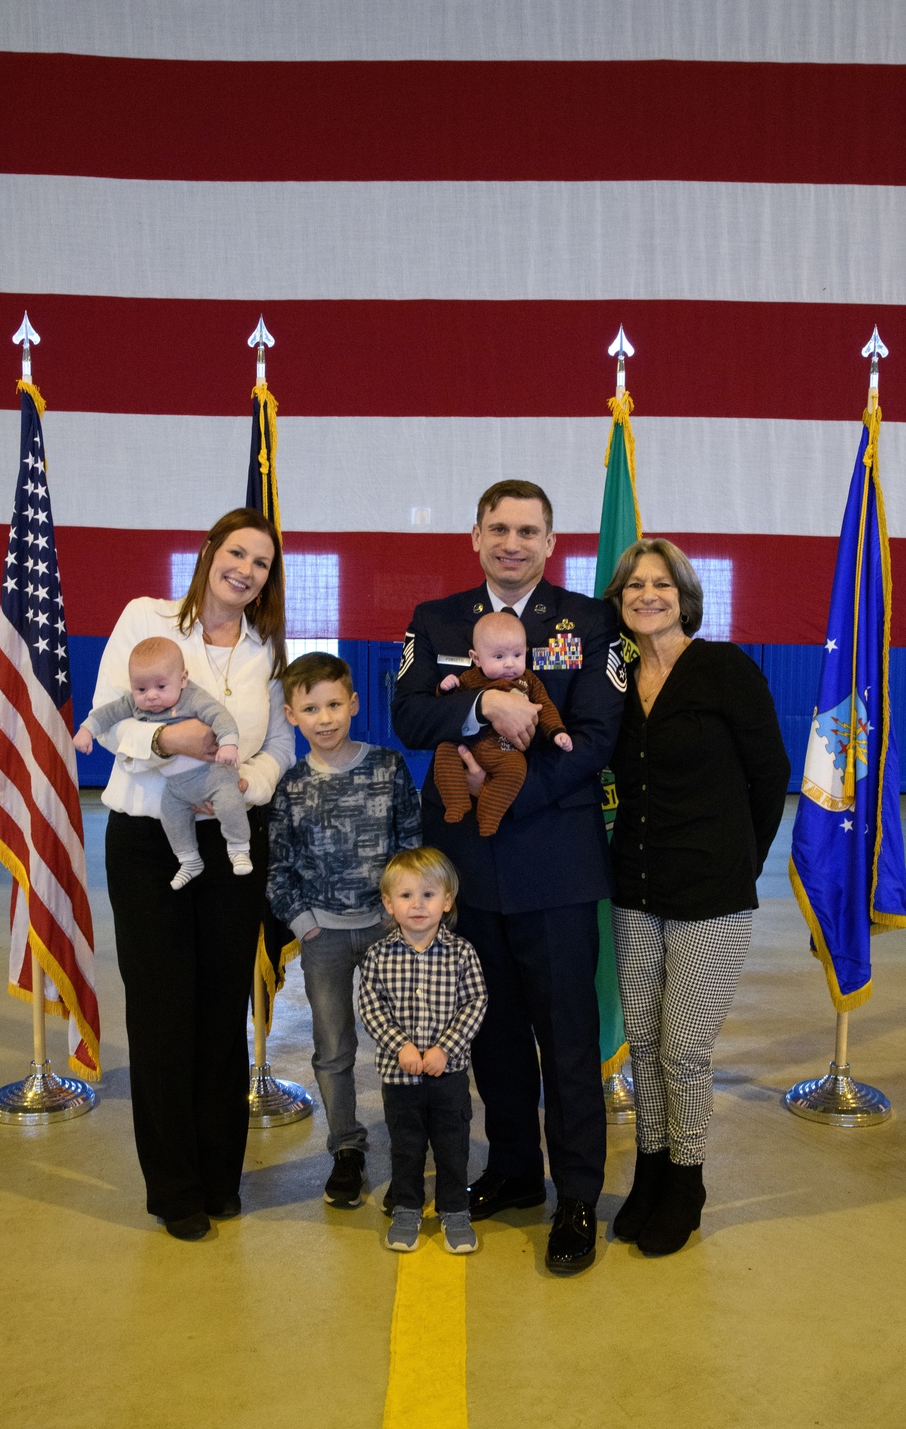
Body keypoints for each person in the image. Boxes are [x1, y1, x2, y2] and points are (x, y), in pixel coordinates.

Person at [392, 479, 625, 1275]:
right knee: (490, 1035)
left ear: (552, 543)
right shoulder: (438, 620)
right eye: (499, 528)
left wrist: (517, 788)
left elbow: (598, 735)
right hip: (463, 868)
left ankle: (579, 1198)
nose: (513, 542)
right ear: (475, 535)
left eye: (529, 530)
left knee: (565, 1041)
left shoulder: (590, 623)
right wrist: (481, 712)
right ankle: (517, 1171)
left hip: (555, 864)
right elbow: (410, 716)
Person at [92, 508, 294, 1241]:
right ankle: (175, 1189)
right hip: (148, 845)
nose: (245, 569)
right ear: (210, 552)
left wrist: (251, 786)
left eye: (262, 563)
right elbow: (109, 720)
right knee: (160, 1013)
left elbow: (278, 742)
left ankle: (220, 1177)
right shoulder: (145, 617)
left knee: (220, 1014)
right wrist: (163, 736)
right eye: (236, 552)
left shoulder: (264, 648)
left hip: (233, 848)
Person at [604, 539, 790, 1256]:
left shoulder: (724, 670)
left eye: (661, 584)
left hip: (712, 895)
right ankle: (649, 1170)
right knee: (644, 1041)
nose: (647, 594)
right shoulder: (617, 681)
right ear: (618, 601)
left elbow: (768, 776)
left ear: (685, 597)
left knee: (683, 1049)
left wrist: (738, 862)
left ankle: (687, 1180)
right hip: (636, 886)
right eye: (633, 586)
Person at [266, 652, 421, 1209]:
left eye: (334, 704)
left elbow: (411, 844)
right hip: (323, 937)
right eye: (311, 708)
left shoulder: (388, 767)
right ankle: (346, 1151)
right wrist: (304, 924)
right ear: (291, 714)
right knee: (333, 1048)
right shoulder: (290, 787)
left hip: (387, 931)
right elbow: (278, 867)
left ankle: (408, 1147)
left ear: (354, 704)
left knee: (402, 1040)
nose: (325, 717)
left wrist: (401, 917)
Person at [358, 847, 488, 1255]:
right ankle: (407, 1208)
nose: (417, 904)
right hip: (400, 1080)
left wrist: (445, 1049)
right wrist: (401, 1046)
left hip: (447, 1077)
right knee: (406, 1147)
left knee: (452, 1147)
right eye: (406, 895)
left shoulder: (462, 953)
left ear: (446, 901)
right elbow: (370, 1006)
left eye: (428, 895)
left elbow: (475, 1002)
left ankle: (455, 1211)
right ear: (388, 904)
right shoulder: (378, 957)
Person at [74, 635, 253, 890]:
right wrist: (86, 730)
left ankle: (239, 848)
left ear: (182, 679)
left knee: (230, 802)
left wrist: (228, 743)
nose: (151, 697)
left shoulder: (192, 697)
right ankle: (189, 860)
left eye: (161, 686)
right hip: (177, 785)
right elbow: (107, 713)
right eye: (141, 689)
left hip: (213, 775)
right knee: (171, 816)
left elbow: (219, 716)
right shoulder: (135, 705)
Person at [433, 610, 572, 836]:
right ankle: (456, 802)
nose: (510, 664)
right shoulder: (471, 678)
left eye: (517, 655)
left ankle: (489, 814)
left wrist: (556, 731)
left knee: (516, 770)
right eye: (499, 657)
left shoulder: (529, 680)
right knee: (444, 750)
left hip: (504, 748)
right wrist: (444, 687)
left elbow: (544, 706)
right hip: (470, 744)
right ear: (476, 657)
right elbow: (447, 708)